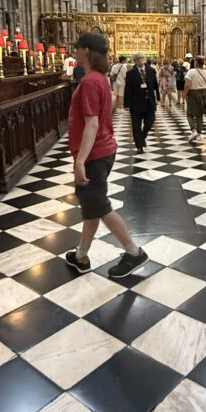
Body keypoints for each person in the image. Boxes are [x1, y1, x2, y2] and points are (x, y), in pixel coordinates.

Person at [65, 32, 148, 278]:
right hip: (103, 150)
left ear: (86, 51)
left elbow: (91, 123)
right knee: (92, 206)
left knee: (100, 206)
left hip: (94, 154)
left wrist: (80, 160)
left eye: (77, 47)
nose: (75, 51)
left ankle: (134, 252)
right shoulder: (100, 78)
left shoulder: (90, 81)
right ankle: (81, 255)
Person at [124, 51, 159, 152]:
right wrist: (126, 104)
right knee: (136, 125)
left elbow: (155, 85)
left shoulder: (151, 70)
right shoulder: (130, 73)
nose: (139, 60)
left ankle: (142, 137)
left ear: (144, 59)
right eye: (137, 59)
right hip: (136, 102)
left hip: (149, 101)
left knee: (150, 121)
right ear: (134, 61)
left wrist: (158, 98)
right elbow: (127, 89)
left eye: (141, 58)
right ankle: (139, 146)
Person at [185, 57, 206, 140]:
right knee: (199, 114)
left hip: (193, 93)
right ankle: (199, 135)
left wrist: (184, 93)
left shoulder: (191, 71)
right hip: (204, 93)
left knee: (189, 113)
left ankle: (193, 131)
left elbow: (187, 85)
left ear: (196, 63)